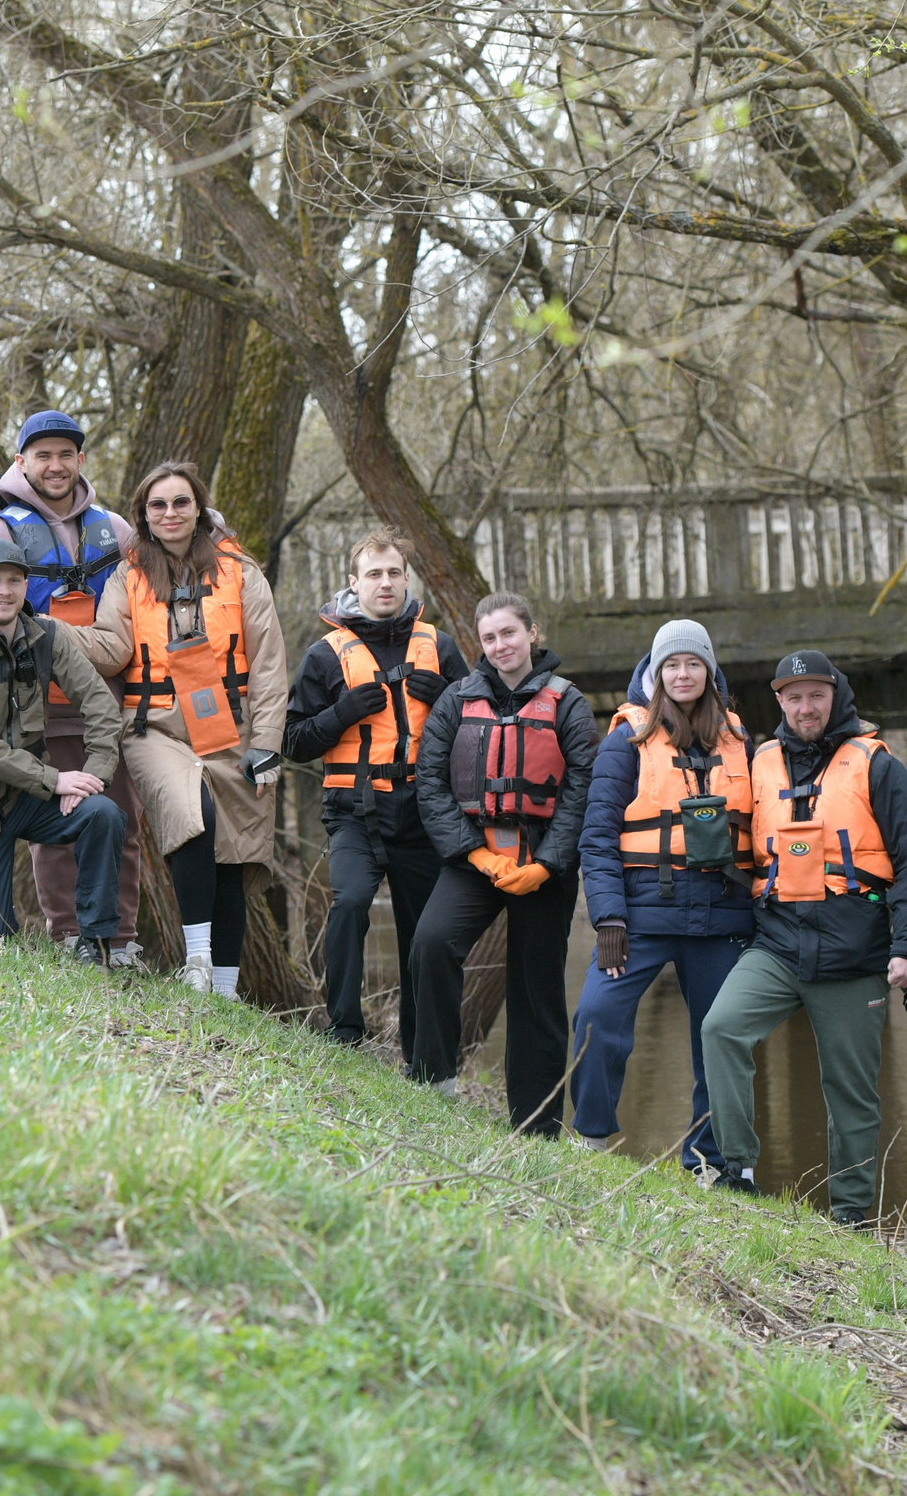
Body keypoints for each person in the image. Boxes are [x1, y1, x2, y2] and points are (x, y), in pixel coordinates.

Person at [699, 651, 907, 1225]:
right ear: (779, 701)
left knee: (850, 1089)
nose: (806, 708)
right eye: (794, 697)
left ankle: (851, 1215)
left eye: (817, 695)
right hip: (778, 943)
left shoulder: (878, 766)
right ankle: (737, 1172)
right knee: (720, 1028)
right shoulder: (759, 761)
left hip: (855, 949)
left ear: (836, 696)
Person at [74, 461, 287, 997]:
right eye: (158, 505)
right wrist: (50, 631)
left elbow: (268, 664)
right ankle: (197, 962)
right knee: (195, 815)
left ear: (198, 509)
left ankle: (225, 990)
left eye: (180, 503)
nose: (169, 513)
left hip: (233, 729)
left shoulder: (241, 572)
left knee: (233, 852)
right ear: (143, 515)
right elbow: (112, 648)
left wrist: (266, 743)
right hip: (156, 728)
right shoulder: (128, 576)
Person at [405, 593, 598, 1136]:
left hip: (543, 864)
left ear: (532, 633)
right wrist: (475, 853)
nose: (500, 646)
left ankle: (536, 1126)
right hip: (475, 859)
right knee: (431, 944)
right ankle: (433, 1081)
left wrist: (548, 865)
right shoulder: (456, 700)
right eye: (489, 638)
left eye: (509, 633)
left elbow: (583, 789)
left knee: (537, 989)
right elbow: (431, 784)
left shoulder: (568, 703)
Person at [0, 410, 147, 965]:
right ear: (22, 462)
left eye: (66, 454)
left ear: (81, 460)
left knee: (121, 821)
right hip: (36, 708)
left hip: (107, 704)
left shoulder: (117, 531)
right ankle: (69, 934)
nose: (56, 465)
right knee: (59, 821)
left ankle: (120, 940)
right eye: (43, 455)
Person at [570, 619, 752, 1172]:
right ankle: (590, 1140)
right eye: (671, 664)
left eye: (693, 663)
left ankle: (711, 1161)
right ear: (655, 673)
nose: (683, 673)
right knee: (597, 1015)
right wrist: (609, 919)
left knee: (720, 1040)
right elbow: (597, 836)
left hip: (721, 916)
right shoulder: (625, 741)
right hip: (641, 917)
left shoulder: (742, 742)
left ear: (709, 672)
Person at [283, 527, 470, 1046]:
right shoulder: (325, 655)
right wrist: (341, 713)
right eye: (373, 574)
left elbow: (482, 734)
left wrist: (450, 696)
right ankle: (344, 1030)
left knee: (424, 934)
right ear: (353, 582)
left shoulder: (439, 647)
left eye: (393, 573)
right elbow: (293, 741)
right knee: (350, 902)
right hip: (354, 810)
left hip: (424, 811)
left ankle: (421, 1054)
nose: (384, 583)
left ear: (407, 580)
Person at [0, 536, 128, 957]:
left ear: (25, 585)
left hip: (28, 799)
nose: (4, 591)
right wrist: (54, 780)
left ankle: (95, 942)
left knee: (102, 813)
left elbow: (101, 706)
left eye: (14, 580)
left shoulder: (46, 636)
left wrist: (93, 776)